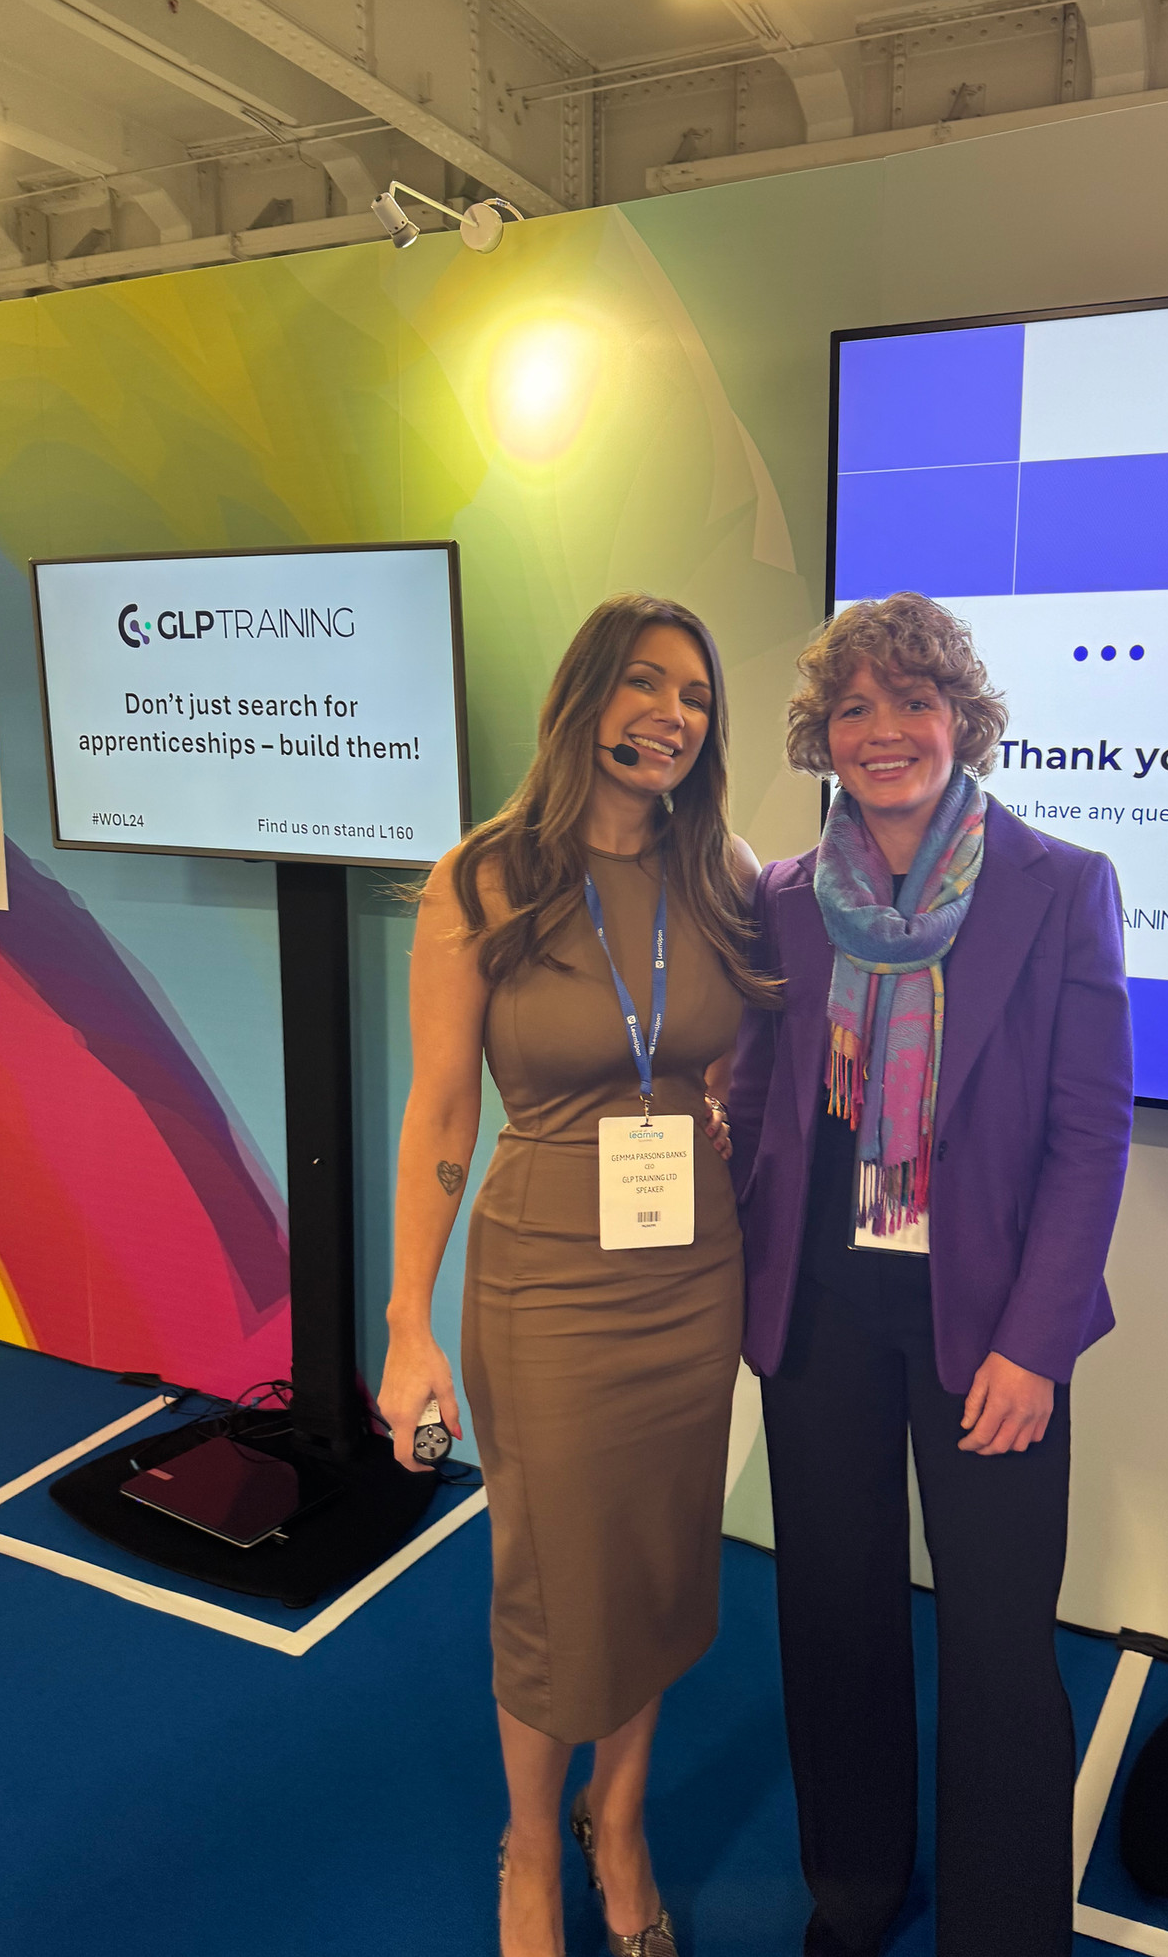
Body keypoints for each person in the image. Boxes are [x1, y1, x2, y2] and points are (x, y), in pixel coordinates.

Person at [728, 593, 1134, 1957]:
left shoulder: (1060, 885)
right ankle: (852, 1890)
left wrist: (1037, 1347)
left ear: (963, 720)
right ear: (824, 736)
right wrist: (738, 1286)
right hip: (825, 1313)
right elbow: (753, 1107)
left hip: (989, 1327)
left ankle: (1006, 1931)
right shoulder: (785, 904)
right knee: (834, 1619)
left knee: (1001, 1646)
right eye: (854, 707)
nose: (885, 729)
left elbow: (1091, 1135)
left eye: (913, 700)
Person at [378, 593, 768, 1957]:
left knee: (659, 1555)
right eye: (647, 684)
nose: (673, 714)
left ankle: (626, 1813)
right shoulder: (484, 879)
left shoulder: (727, 871)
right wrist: (405, 1327)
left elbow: (717, 1044)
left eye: (697, 696)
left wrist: (707, 1099)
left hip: (688, 1271)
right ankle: (533, 1853)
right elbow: (439, 1114)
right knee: (554, 1572)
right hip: (545, 1279)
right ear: (586, 696)